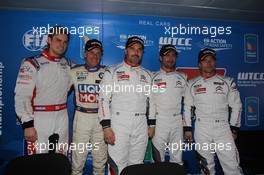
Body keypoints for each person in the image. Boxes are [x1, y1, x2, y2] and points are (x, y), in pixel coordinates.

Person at [98, 36, 155, 175]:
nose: (136, 52)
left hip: (141, 123)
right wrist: (106, 127)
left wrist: (152, 125)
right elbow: (103, 99)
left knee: (136, 166)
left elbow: (152, 101)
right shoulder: (112, 71)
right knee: (118, 165)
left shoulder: (148, 75)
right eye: (132, 49)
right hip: (119, 123)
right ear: (125, 50)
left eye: (139, 49)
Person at [183, 48, 243, 174]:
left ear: (215, 62)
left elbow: (237, 106)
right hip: (202, 129)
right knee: (205, 167)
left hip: (223, 129)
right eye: (205, 60)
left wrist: (234, 128)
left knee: (232, 166)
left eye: (211, 60)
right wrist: (187, 129)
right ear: (199, 64)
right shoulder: (192, 83)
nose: (208, 63)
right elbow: (187, 107)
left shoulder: (227, 81)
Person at [14, 26, 72, 154]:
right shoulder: (32, 63)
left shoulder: (68, 65)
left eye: (65, 42)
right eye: (58, 40)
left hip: (62, 116)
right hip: (40, 118)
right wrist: (28, 125)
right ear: (49, 40)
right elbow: (22, 96)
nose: (62, 45)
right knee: (37, 163)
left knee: (61, 160)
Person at [70, 39, 107, 175]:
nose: (95, 56)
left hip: (101, 119)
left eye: (98, 53)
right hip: (81, 117)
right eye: (92, 52)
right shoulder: (74, 71)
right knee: (78, 160)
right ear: (85, 54)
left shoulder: (107, 72)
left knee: (100, 160)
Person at [151, 44, 187, 164]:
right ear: (161, 58)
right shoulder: (152, 77)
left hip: (177, 120)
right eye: (167, 55)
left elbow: (187, 103)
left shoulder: (183, 77)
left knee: (177, 158)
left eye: (173, 55)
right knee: (157, 159)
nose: (170, 58)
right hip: (159, 120)